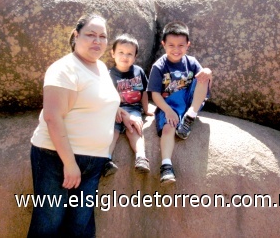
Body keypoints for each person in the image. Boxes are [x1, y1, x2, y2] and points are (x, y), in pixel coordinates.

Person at [28, 14, 138, 237]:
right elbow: (52, 117)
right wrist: (69, 163)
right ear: (76, 36)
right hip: (56, 157)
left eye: (102, 36)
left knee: (80, 228)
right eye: (90, 35)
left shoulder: (100, 68)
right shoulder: (64, 69)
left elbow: (98, 101)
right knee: (49, 223)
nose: (97, 41)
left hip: (93, 160)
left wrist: (122, 114)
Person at [147, 21, 212, 185]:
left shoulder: (191, 62)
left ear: (188, 45)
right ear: (163, 45)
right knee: (168, 128)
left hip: (190, 102)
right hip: (169, 104)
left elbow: (203, 81)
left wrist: (208, 72)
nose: (176, 49)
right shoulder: (159, 66)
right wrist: (168, 111)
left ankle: (190, 116)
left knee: (205, 74)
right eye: (171, 45)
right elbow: (154, 94)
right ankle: (166, 166)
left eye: (181, 45)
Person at [102, 34, 154, 177]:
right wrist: (113, 109)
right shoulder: (109, 74)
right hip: (115, 109)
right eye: (121, 52)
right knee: (113, 130)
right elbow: (106, 96)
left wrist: (146, 109)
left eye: (129, 53)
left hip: (133, 108)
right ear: (113, 53)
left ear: (135, 56)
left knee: (135, 128)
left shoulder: (138, 71)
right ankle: (106, 160)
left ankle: (141, 157)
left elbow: (143, 92)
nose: (125, 56)